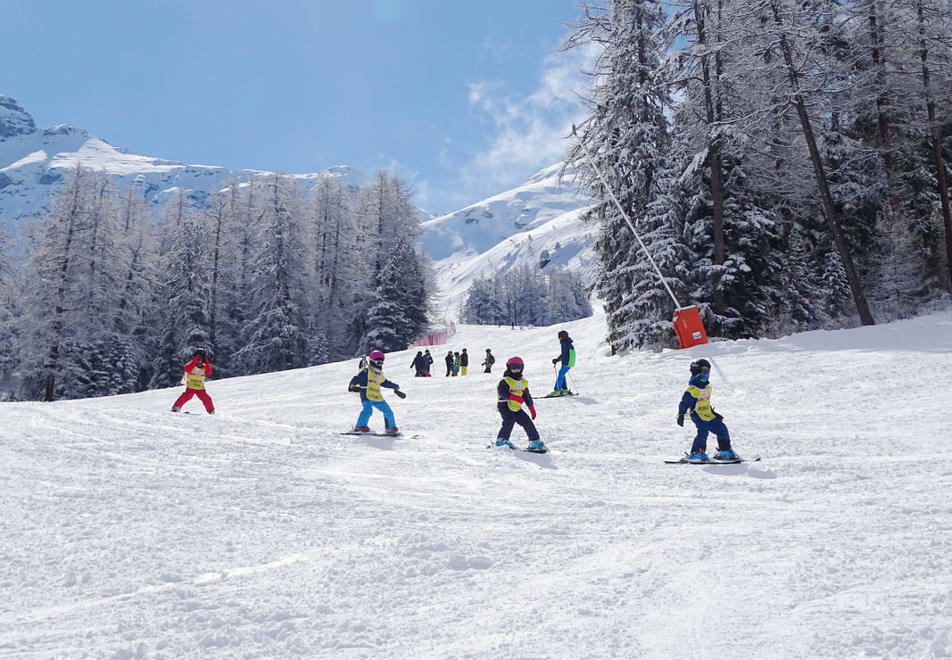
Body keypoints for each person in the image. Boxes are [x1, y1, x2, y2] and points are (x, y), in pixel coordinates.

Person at [676, 358, 735, 461]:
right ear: (697, 372)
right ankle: (696, 453)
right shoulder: (693, 390)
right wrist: (681, 414)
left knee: (722, 429)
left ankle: (725, 451)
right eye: (704, 371)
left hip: (708, 415)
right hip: (697, 415)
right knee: (703, 432)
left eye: (707, 372)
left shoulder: (707, 388)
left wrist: (713, 413)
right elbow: (684, 402)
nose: (706, 374)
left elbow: (705, 402)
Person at [495, 357, 545, 452]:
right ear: (509, 368)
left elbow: (526, 395)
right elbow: (502, 392)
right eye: (513, 367)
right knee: (509, 420)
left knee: (527, 422)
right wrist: (512, 397)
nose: (516, 370)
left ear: (522, 368)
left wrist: (531, 407)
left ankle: (534, 441)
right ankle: (501, 439)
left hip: (516, 406)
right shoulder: (505, 381)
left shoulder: (523, 382)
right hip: (504, 405)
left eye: (518, 367)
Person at [348, 350, 405, 434]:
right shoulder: (366, 370)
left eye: (382, 362)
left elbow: (384, 382)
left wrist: (394, 386)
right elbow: (357, 378)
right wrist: (352, 385)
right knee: (368, 410)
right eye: (378, 362)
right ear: (372, 361)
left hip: (377, 395)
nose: (380, 364)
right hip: (366, 393)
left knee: (388, 411)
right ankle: (360, 426)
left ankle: (390, 427)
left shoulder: (378, 373)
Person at [171, 348, 215, 414]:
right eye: (198, 358)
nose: (199, 360)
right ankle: (176, 407)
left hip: (200, 388)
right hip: (191, 387)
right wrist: (195, 360)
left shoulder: (204, 367)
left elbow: (209, 372)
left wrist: (206, 361)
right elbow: (187, 369)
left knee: (207, 399)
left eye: (201, 359)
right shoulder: (190, 365)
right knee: (186, 396)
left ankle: (211, 411)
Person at [549, 330, 576, 396]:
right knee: (561, 373)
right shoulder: (567, 342)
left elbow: (564, 354)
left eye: (559, 337)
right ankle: (564, 389)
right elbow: (565, 354)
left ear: (562, 337)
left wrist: (557, 360)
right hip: (569, 361)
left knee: (561, 373)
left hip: (568, 362)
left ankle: (557, 390)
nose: (559, 338)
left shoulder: (565, 343)